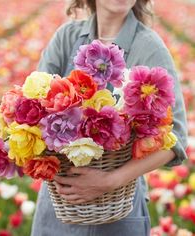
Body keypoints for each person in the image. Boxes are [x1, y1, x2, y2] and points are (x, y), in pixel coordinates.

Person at [31, 0, 188, 235]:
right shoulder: (67, 37)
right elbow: (30, 109)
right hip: (57, 209)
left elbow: (176, 138)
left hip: (116, 211)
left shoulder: (148, 47)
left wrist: (110, 180)